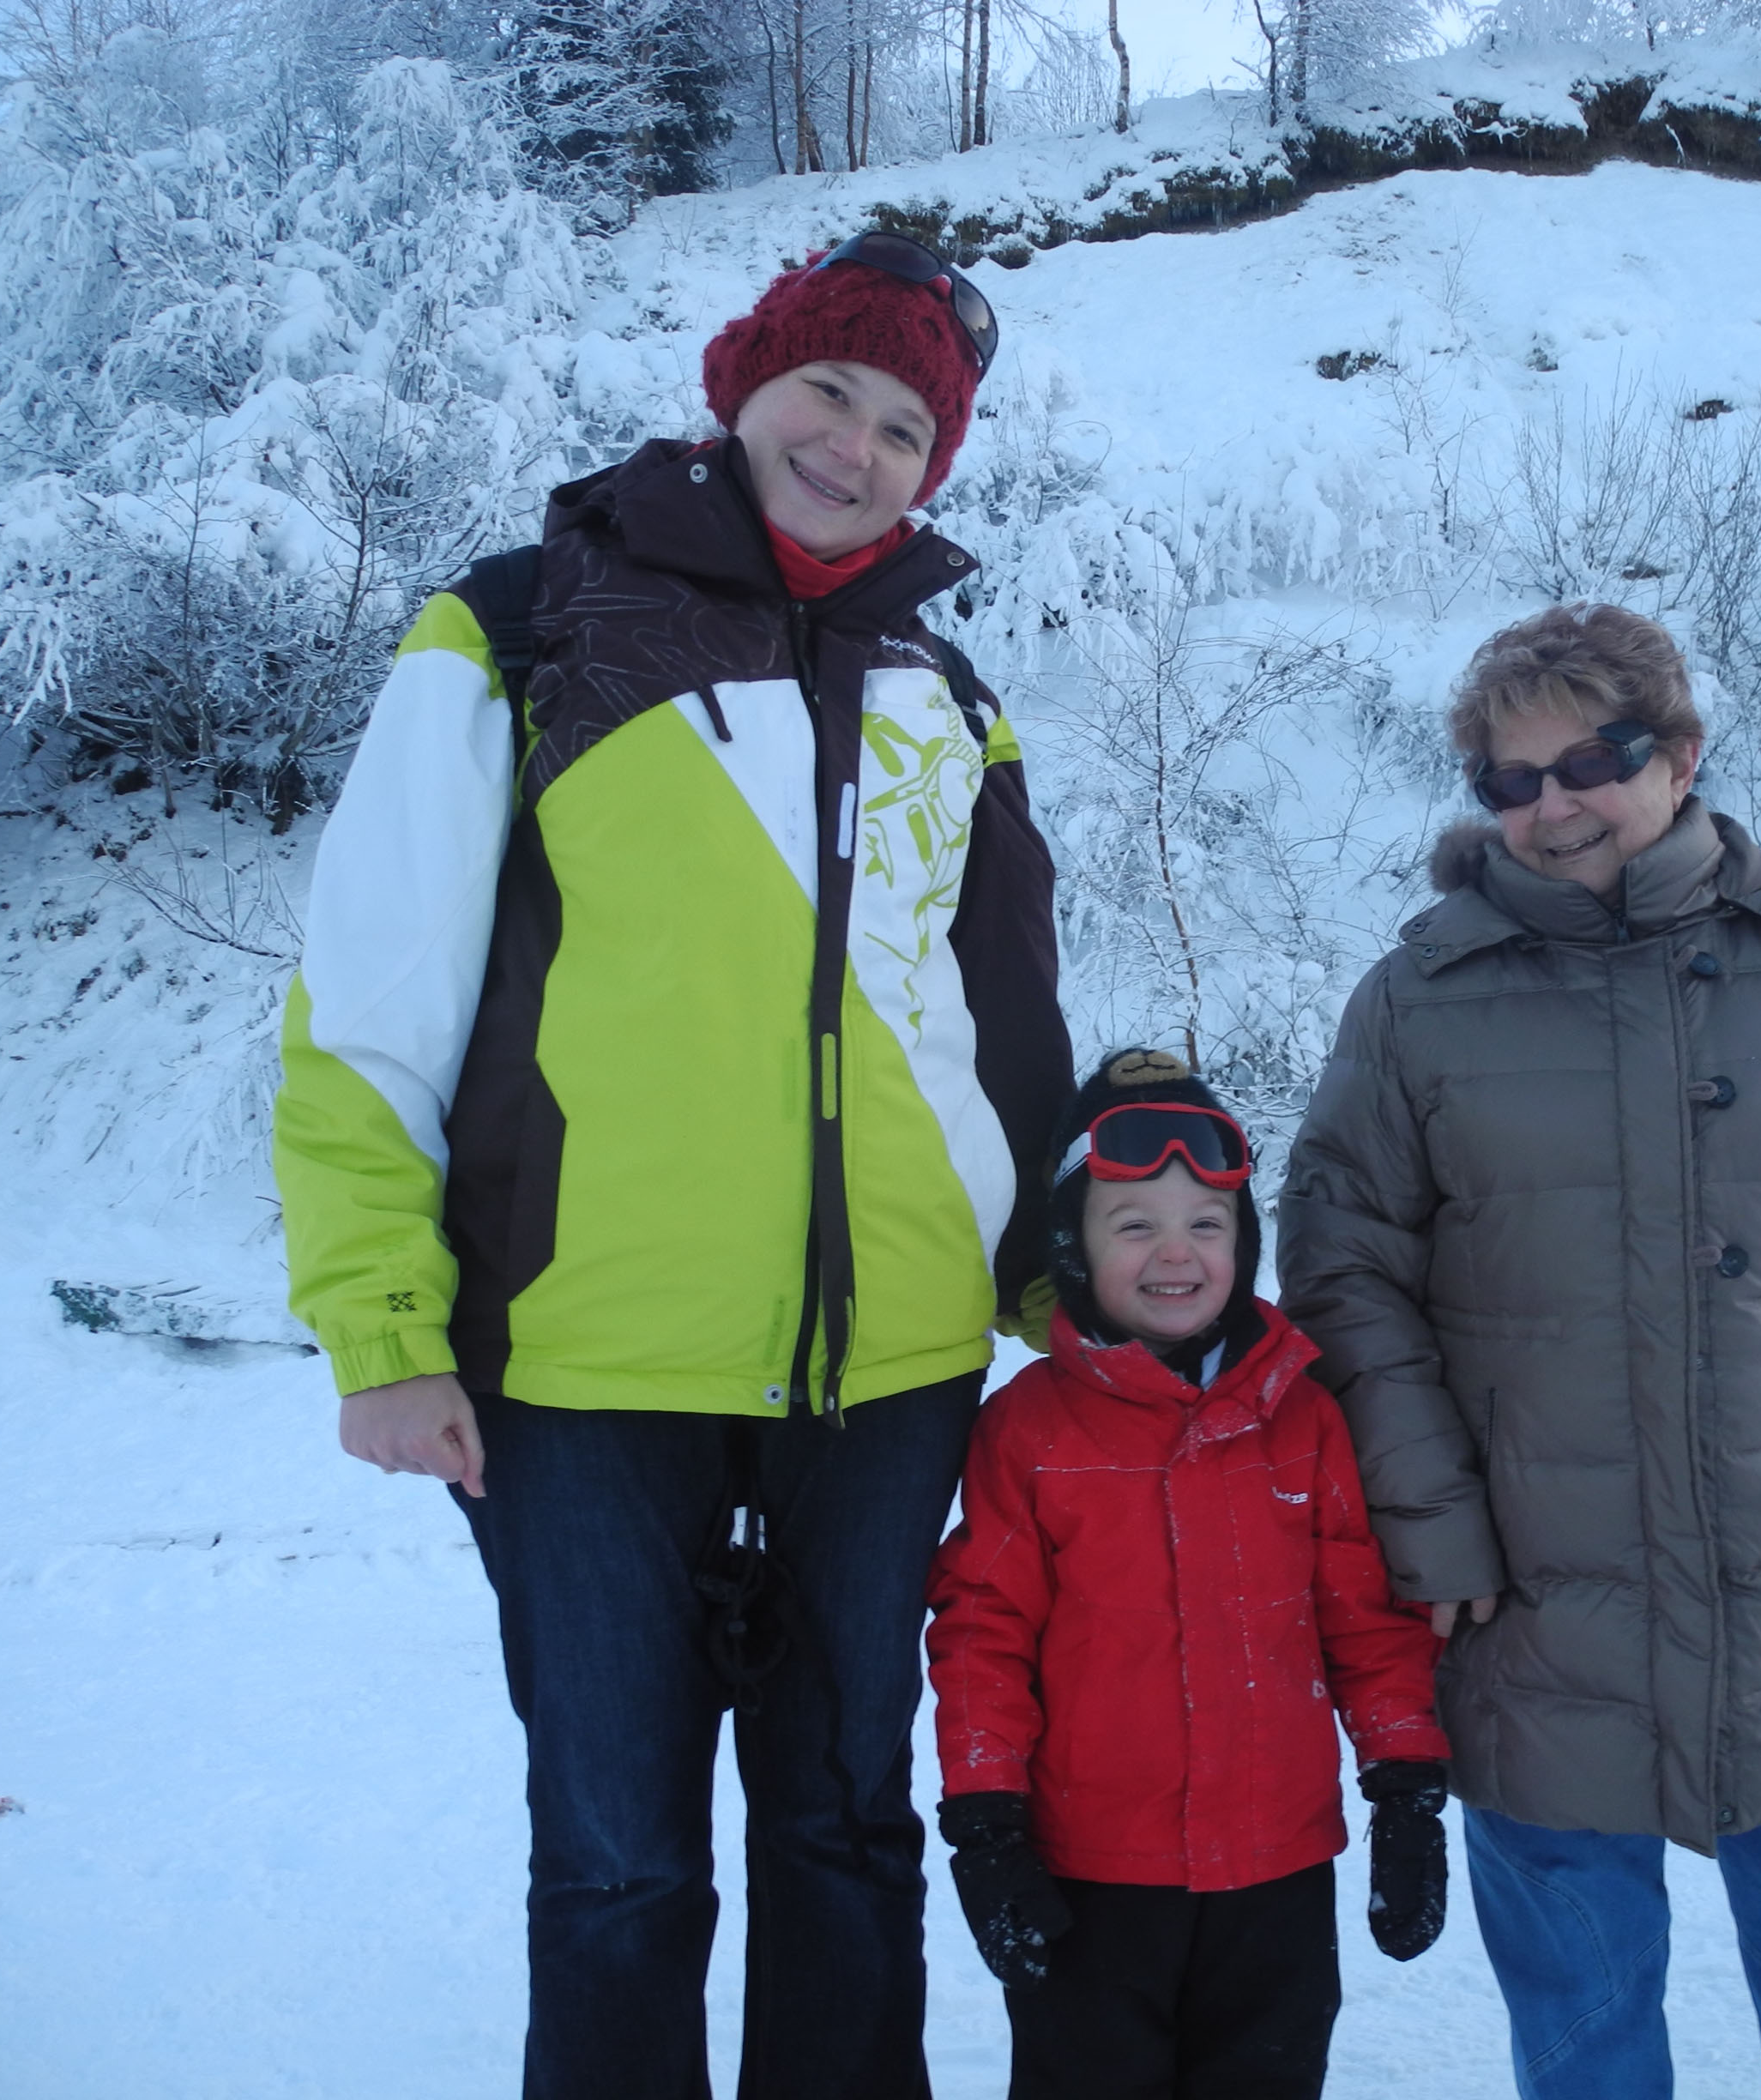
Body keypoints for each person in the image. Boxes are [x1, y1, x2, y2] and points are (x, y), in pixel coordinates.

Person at [270, 233, 1073, 2100]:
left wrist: (1066, 1281)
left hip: (891, 1370)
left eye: (904, 428)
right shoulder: (522, 626)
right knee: (618, 1858)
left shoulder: (945, 687)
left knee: (847, 1825)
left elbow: (1007, 1023)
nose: (854, 447)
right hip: (584, 1366)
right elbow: (372, 996)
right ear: (741, 384)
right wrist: (381, 1322)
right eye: (828, 391)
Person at [1276, 604, 1761, 2100]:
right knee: (1582, 2022)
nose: (1550, 805)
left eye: (1590, 762)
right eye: (1510, 778)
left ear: (1679, 755)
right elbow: (1344, 1274)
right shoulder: (1418, 999)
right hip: (1530, 1600)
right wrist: (1428, 1518)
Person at [926, 1049, 1452, 2100]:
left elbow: (1363, 1618)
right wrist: (986, 1826)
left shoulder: (1302, 1417)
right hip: (1092, 1879)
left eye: (1207, 1225)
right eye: (1135, 1226)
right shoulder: (1028, 1430)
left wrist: (1406, 1792)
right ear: (1074, 1248)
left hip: (1277, 1877)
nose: (1177, 1254)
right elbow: (981, 1631)